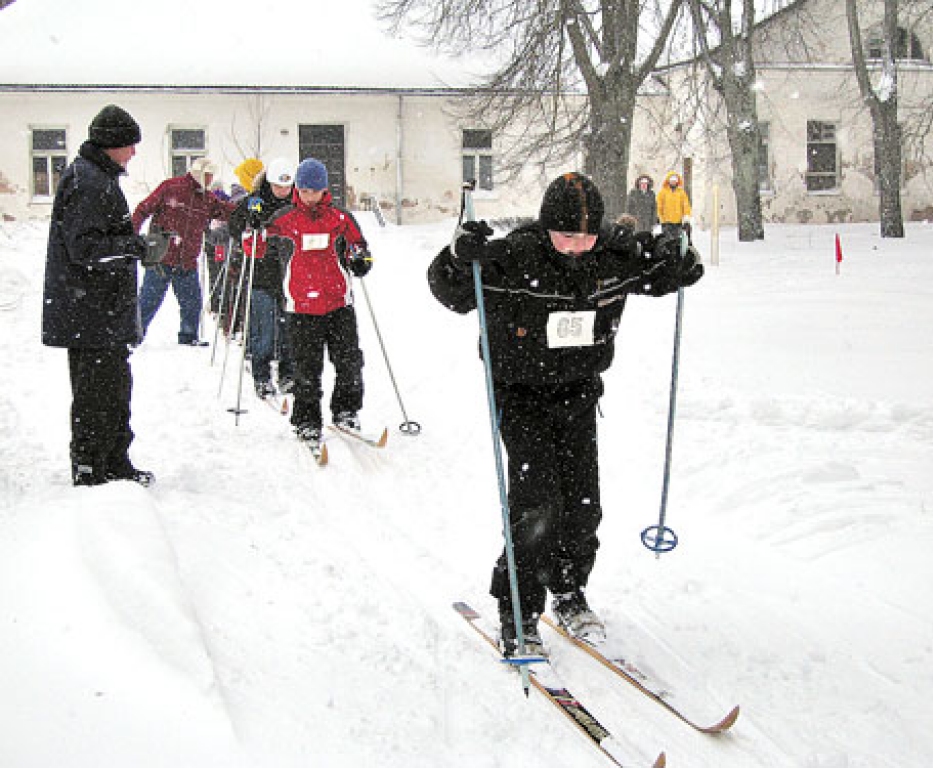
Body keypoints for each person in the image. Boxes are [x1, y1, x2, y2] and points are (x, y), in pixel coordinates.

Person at [427, 171, 704, 657]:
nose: (577, 246)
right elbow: (452, 291)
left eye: (586, 235)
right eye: (565, 235)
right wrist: (455, 257)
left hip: (578, 390)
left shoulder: (613, 254)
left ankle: (570, 591)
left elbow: (673, 273)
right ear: (545, 226)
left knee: (581, 504)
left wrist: (677, 255)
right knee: (537, 503)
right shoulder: (515, 255)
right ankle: (518, 610)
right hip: (520, 391)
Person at [42, 104, 163, 487]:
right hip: (89, 313)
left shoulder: (96, 178)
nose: (133, 153)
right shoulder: (88, 182)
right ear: (112, 144)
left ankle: (113, 460)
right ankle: (91, 466)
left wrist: (133, 246)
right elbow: (85, 249)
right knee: (96, 394)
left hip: (100, 313)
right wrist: (135, 248)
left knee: (113, 388)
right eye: (129, 145)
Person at [264, 158, 373, 443]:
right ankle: (306, 420)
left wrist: (361, 260)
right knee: (307, 369)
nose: (309, 196)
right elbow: (255, 245)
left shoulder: (340, 218)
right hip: (302, 307)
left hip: (339, 303)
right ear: (296, 190)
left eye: (314, 191)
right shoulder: (285, 219)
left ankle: (346, 411)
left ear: (324, 189)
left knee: (349, 363)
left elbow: (359, 246)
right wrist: (253, 227)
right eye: (304, 191)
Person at [132, 157, 237, 345]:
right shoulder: (170, 188)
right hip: (161, 257)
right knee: (149, 300)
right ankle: (133, 336)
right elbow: (143, 209)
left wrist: (254, 207)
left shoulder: (207, 198)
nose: (210, 180)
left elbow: (228, 211)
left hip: (187, 260)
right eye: (208, 175)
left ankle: (189, 337)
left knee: (192, 303)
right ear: (199, 173)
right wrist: (132, 233)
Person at [228, 157, 297, 397]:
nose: (282, 192)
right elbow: (234, 225)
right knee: (263, 330)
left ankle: (289, 374)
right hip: (261, 274)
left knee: (289, 329)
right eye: (278, 186)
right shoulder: (255, 201)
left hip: (290, 275)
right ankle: (261, 375)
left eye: (287, 187)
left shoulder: (299, 203)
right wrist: (250, 226)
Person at [656, 170, 693, 241]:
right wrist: (661, 219)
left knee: (677, 242)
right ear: (668, 181)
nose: (673, 182)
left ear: (677, 181)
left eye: (675, 180)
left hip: (678, 223)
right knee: (668, 242)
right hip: (666, 223)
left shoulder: (681, 193)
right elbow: (658, 206)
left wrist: (686, 219)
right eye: (671, 180)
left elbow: (686, 206)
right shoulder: (663, 192)